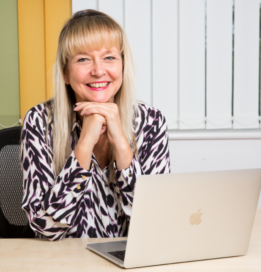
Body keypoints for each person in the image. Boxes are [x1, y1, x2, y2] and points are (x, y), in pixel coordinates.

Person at [20, 9, 170, 241]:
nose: (99, 70)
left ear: (122, 65)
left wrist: (121, 142)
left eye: (109, 57)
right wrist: (85, 144)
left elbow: (157, 224)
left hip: (130, 261)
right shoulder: (40, 121)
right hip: (66, 261)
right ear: (66, 73)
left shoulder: (150, 121)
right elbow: (45, 228)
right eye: (83, 59)